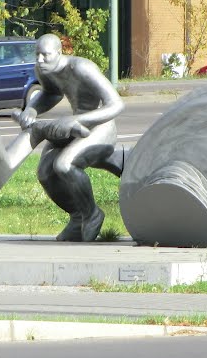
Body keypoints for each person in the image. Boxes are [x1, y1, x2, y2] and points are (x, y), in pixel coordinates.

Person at [12, 33, 125, 242]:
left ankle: (92, 214)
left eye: (45, 55)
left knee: (64, 165)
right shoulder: (43, 70)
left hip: (101, 125)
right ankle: (77, 216)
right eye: (37, 54)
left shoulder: (81, 68)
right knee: (45, 172)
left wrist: (76, 120)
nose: (39, 60)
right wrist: (31, 110)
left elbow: (116, 104)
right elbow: (51, 93)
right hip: (75, 125)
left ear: (59, 52)